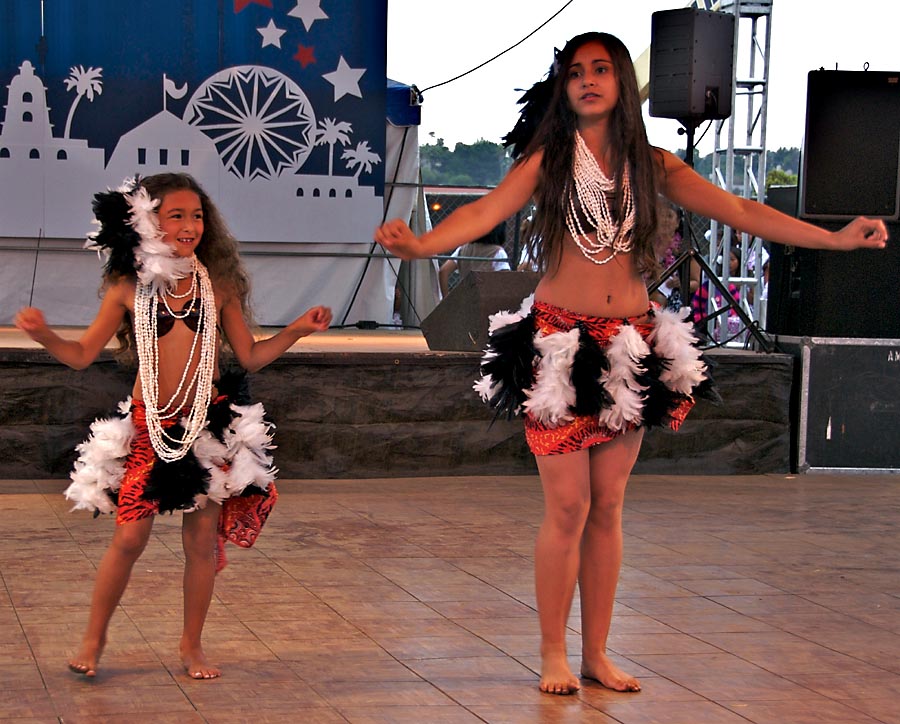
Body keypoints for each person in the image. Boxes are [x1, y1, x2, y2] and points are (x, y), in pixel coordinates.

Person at [375, 32, 887, 696]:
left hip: (630, 346)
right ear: (563, 87)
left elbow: (740, 209)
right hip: (559, 346)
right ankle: (553, 654)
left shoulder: (657, 166)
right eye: (577, 72)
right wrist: (422, 244)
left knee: (609, 505)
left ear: (622, 85)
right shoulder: (550, 162)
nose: (589, 80)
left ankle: (596, 654)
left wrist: (835, 238)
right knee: (568, 507)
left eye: (603, 69)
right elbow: (483, 210)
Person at [15, 173, 332, 680]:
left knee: (201, 542)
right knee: (128, 540)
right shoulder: (128, 286)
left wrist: (297, 329)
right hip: (150, 427)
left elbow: (249, 356)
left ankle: (191, 646)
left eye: (198, 215)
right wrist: (45, 334)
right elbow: (80, 356)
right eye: (176, 215)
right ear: (147, 221)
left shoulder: (218, 284)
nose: (190, 226)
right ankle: (93, 640)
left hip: (205, 428)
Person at [438, 223, 510, 296]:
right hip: (487, 300)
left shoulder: (463, 249)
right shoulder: (498, 252)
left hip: (465, 298)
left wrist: (446, 299)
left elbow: (443, 271)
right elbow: (506, 281)